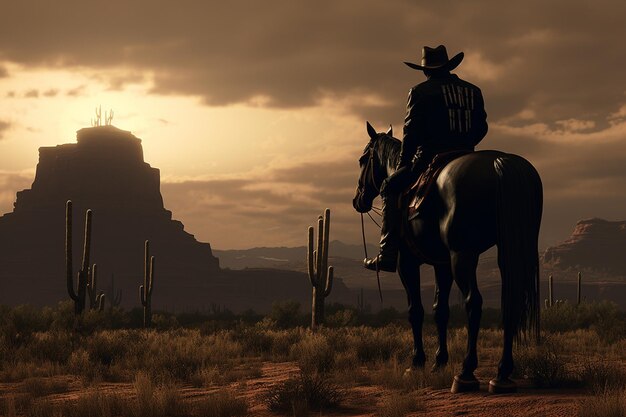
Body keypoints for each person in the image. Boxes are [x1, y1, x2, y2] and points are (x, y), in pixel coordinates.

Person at [364, 45, 488, 272]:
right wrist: (465, 146)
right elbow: (482, 128)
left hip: (430, 158)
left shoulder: (420, 92)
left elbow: (410, 134)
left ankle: (387, 252)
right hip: (467, 153)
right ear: (449, 65)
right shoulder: (473, 91)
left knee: (389, 186)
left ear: (425, 70)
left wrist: (404, 165)